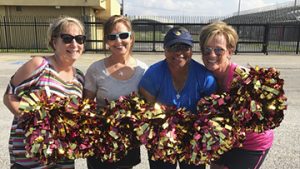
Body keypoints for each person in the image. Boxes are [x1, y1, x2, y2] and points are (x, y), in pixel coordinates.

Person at [3, 16, 86, 168]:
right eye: (67, 38)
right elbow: (9, 96)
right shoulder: (40, 65)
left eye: (79, 39)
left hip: (63, 157)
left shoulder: (79, 77)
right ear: (54, 42)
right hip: (30, 156)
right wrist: (36, 128)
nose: (74, 44)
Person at [138, 26, 217, 169]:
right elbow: (147, 109)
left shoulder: (205, 77)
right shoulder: (153, 73)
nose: (179, 52)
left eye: (184, 47)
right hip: (162, 138)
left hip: (194, 139)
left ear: (191, 50)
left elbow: (211, 113)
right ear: (165, 50)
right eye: (173, 47)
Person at [199, 21, 273, 169]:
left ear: (230, 51)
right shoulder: (205, 76)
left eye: (219, 50)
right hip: (224, 140)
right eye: (206, 49)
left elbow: (264, 115)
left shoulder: (243, 78)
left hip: (251, 143)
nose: (211, 55)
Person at [83, 15, 147, 169]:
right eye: (112, 37)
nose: (118, 41)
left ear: (131, 38)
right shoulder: (95, 69)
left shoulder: (143, 70)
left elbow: (148, 107)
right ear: (107, 41)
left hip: (128, 142)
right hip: (101, 143)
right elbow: (85, 106)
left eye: (123, 35)